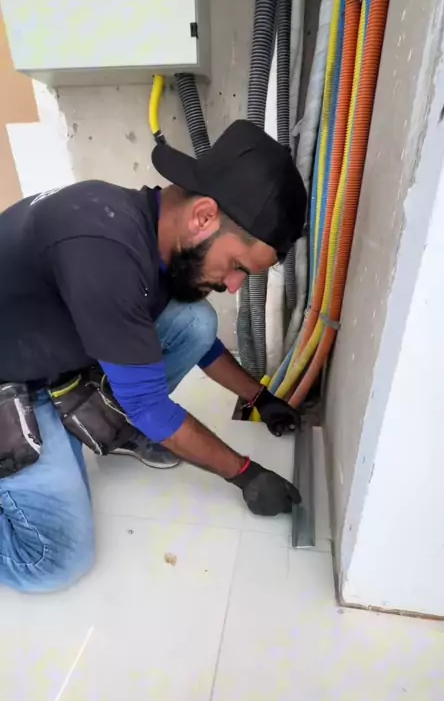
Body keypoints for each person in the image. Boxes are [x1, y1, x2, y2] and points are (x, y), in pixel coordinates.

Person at [0, 120, 307, 593]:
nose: (233, 286)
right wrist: (245, 474)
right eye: (237, 267)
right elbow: (148, 404)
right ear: (204, 216)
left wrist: (258, 397)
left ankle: (100, 426)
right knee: (55, 561)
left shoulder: (153, 232)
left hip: (45, 354)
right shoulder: (104, 250)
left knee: (195, 320)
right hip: (11, 385)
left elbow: (197, 341)